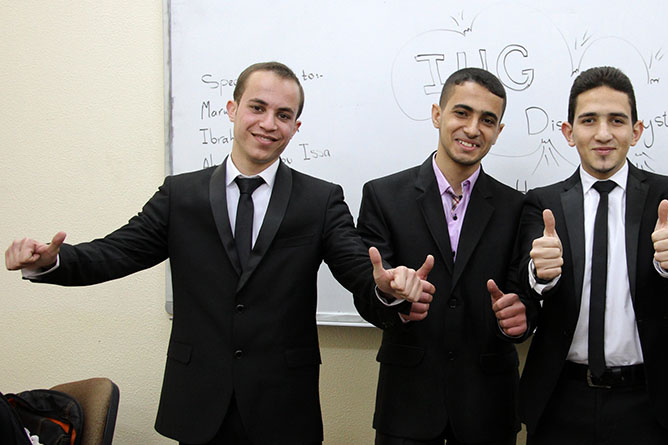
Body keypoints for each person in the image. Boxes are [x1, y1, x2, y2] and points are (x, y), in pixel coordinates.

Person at [4, 61, 429, 445]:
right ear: (232, 109)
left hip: (283, 404)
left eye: (283, 115)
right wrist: (52, 262)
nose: (268, 123)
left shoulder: (319, 200)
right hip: (198, 400)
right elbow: (116, 252)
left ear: (296, 126)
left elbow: (357, 268)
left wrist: (386, 286)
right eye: (257, 108)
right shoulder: (181, 195)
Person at [517, 66, 668, 444]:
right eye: (589, 120)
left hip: (649, 400)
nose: (603, 134)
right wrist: (541, 272)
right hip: (560, 398)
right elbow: (527, 279)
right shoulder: (542, 202)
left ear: (636, 131)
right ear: (569, 132)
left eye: (617, 120)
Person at [354, 67, 534, 445]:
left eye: (487, 120)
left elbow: (524, 297)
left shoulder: (517, 207)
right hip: (408, 405)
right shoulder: (383, 196)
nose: (473, 129)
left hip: (489, 405)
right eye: (461, 113)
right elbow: (368, 297)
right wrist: (392, 296)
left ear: (499, 130)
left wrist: (521, 317)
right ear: (437, 114)